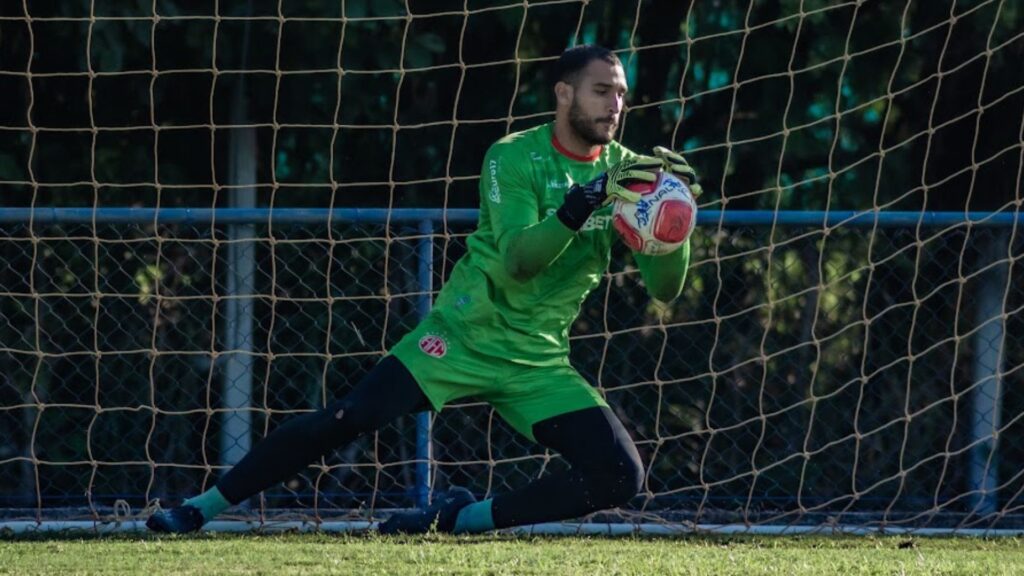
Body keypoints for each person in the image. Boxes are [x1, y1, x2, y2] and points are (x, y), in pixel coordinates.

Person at [147, 44, 701, 535]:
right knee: (350, 416)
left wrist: (673, 225)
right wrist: (582, 202)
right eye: (601, 90)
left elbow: (665, 289)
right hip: (460, 336)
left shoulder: (633, 175)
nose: (615, 104)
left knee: (619, 476)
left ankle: (458, 519)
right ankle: (200, 509)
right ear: (563, 93)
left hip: (537, 361)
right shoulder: (514, 155)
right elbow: (517, 263)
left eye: (621, 93)